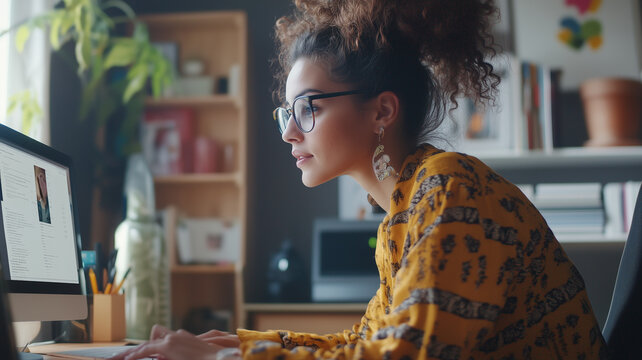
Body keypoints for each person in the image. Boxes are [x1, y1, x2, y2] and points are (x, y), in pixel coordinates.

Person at [111, 0, 608, 359]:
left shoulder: (450, 192)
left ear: (381, 111)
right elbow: (364, 344)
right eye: (286, 111)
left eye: (307, 108)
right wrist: (238, 343)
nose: (287, 131)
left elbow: (403, 356)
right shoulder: (406, 212)